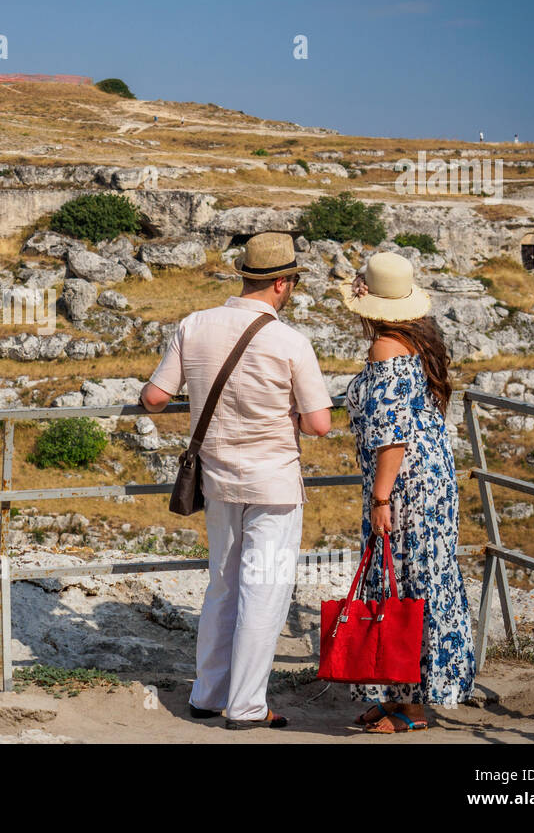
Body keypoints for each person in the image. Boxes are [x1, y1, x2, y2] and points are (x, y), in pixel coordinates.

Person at [141, 232, 333, 729]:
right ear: (283, 284)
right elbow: (319, 424)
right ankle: (247, 705)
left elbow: (156, 397)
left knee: (222, 587)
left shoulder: (194, 325)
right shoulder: (291, 341)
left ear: (245, 275)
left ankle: (207, 693)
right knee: (264, 591)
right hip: (273, 485)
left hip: (217, 481)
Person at [338, 252, 476, 734]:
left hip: (403, 486)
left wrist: (379, 499)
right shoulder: (418, 340)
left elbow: (392, 434)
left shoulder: (385, 349)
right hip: (430, 482)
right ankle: (398, 693)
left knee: (404, 584)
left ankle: (411, 708)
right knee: (416, 581)